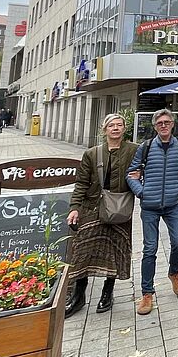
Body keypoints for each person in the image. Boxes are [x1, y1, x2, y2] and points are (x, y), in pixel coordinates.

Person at [65, 113, 137, 317]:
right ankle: (78, 295)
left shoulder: (133, 150)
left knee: (114, 250)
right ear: (104, 129)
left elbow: (144, 171)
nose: (115, 128)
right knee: (82, 251)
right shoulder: (92, 153)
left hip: (119, 208)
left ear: (124, 129)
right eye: (111, 125)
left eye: (119, 125)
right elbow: (81, 183)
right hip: (93, 207)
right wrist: (75, 207)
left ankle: (108, 292)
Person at [126, 109, 178, 315]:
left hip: (173, 204)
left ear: (173, 124)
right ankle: (147, 293)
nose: (164, 125)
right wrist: (141, 192)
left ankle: (174, 272)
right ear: (155, 126)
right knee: (150, 249)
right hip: (150, 206)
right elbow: (131, 173)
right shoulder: (145, 148)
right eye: (160, 123)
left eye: (167, 122)